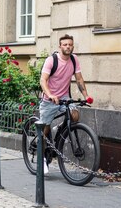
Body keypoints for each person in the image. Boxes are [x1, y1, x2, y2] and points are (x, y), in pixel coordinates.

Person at [39, 34, 92, 174]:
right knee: (43, 130)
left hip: (64, 97)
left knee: (74, 116)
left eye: (70, 44)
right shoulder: (52, 60)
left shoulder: (74, 60)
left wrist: (86, 96)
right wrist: (50, 94)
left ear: (73, 46)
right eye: (65, 44)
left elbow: (79, 79)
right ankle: (43, 157)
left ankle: (58, 131)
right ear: (60, 46)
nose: (68, 46)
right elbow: (43, 80)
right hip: (49, 99)